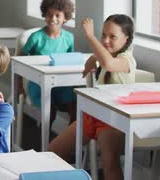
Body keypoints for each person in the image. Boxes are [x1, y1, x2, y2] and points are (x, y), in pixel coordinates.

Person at [48, 15, 136, 180]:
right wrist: (94, 57)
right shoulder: (105, 57)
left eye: (112, 37)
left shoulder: (127, 60)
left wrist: (90, 37)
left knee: (109, 163)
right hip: (94, 116)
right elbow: (104, 60)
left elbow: (109, 63)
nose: (106, 40)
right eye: (103, 35)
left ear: (126, 39)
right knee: (53, 150)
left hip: (113, 121)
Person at [21, 0, 76, 124]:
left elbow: (71, 62)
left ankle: (68, 141)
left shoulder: (69, 38)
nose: (53, 19)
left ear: (65, 18)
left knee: (76, 107)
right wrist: (19, 86)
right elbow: (19, 62)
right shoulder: (35, 38)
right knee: (49, 111)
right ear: (44, 15)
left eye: (58, 15)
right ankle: (44, 143)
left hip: (61, 84)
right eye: (49, 14)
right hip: (38, 84)